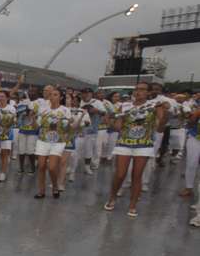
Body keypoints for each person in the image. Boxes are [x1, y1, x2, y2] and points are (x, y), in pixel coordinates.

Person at [104, 82, 167, 217]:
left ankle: (132, 205)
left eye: (142, 89)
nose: (138, 92)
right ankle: (112, 197)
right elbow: (118, 127)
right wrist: (109, 121)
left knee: (137, 176)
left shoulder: (154, 106)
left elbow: (160, 127)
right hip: (124, 143)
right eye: (136, 89)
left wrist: (164, 113)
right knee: (120, 174)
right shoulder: (125, 106)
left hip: (143, 144)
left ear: (148, 93)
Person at [33, 86, 72, 199]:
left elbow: (67, 129)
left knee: (52, 167)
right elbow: (36, 127)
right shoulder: (43, 109)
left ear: (60, 97)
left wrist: (70, 123)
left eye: (55, 95)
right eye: (51, 95)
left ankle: (55, 186)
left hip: (58, 142)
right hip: (43, 140)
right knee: (41, 166)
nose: (52, 97)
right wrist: (33, 119)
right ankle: (41, 191)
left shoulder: (65, 110)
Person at [79, 88, 106, 174]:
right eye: (84, 93)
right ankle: (71, 166)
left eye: (88, 93)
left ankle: (87, 167)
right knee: (75, 150)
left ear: (91, 94)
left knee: (89, 149)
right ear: (81, 94)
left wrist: (96, 111)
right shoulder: (78, 101)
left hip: (91, 130)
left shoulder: (97, 102)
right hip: (78, 130)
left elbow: (104, 113)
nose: (86, 94)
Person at [0, 88, 17, 182]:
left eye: (2, 96)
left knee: (4, 154)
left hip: (7, 132)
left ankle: (3, 173)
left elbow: (11, 121)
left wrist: (5, 128)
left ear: (7, 98)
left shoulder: (11, 108)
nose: (0, 98)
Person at [16, 87, 40, 174]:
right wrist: (22, 112)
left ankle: (32, 167)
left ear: (37, 93)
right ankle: (21, 167)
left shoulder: (39, 103)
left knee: (30, 150)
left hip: (33, 130)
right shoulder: (23, 102)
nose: (31, 93)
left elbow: (38, 114)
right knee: (21, 149)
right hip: (22, 129)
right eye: (30, 91)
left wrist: (31, 112)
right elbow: (18, 113)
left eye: (33, 91)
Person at [180, 95, 199, 199]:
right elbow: (189, 123)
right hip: (195, 138)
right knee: (191, 164)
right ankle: (189, 187)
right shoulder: (196, 106)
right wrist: (195, 114)